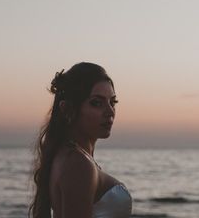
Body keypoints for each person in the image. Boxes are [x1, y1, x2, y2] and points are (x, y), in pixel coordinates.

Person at [29, 62, 132, 218]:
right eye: (96, 103)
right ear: (67, 109)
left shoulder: (70, 157)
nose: (110, 111)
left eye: (112, 102)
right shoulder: (78, 164)